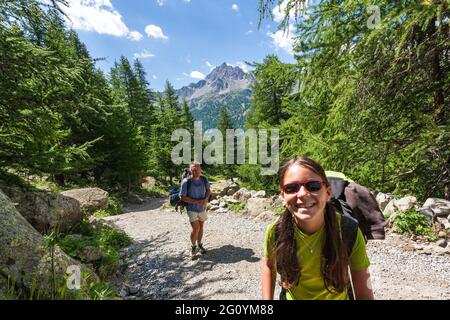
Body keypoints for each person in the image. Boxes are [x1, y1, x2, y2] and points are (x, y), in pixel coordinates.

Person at [262, 156, 374, 300]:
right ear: (283, 196)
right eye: (291, 188)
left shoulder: (348, 231)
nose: (302, 194)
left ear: (328, 193)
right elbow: (269, 266)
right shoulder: (276, 232)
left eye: (313, 186)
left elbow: (364, 292)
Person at [180, 161, 211, 258]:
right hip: (191, 208)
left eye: (197, 169)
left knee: (201, 227)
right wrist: (196, 202)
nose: (196, 171)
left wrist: (206, 199)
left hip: (202, 208)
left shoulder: (204, 179)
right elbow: (182, 197)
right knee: (196, 228)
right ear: (190, 170)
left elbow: (208, 190)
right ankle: (193, 247)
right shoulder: (186, 181)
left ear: (200, 169)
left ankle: (200, 244)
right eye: (194, 169)